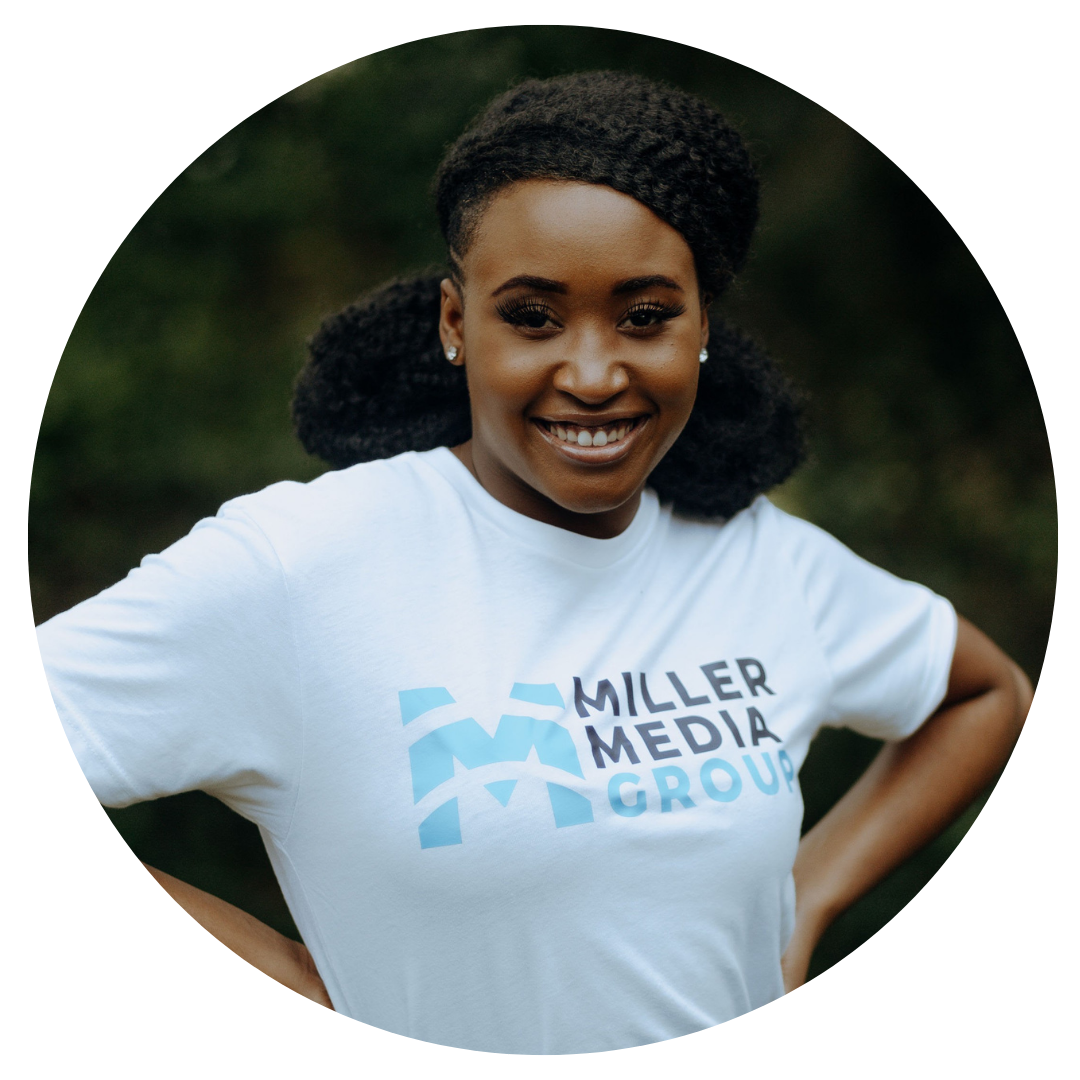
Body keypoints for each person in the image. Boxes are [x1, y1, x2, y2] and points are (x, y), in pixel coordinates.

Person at [35, 70, 1033, 1058]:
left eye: (645, 316)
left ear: (703, 332)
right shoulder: (302, 566)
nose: (593, 374)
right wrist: (265, 990)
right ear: (455, 324)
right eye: (532, 316)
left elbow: (985, 694)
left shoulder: (760, 555)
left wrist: (810, 898)